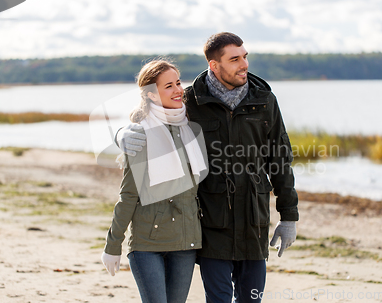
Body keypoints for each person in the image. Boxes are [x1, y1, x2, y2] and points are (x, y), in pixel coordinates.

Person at [117, 33, 299, 303]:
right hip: (211, 224)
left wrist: (288, 217)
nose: (244, 64)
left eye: (245, 56)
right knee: (219, 299)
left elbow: (280, 160)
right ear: (215, 65)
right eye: (234, 59)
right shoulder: (191, 102)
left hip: (254, 223)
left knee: (251, 299)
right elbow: (152, 120)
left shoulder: (265, 101)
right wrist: (122, 133)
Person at [101, 59, 207, 303]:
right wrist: (112, 244)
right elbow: (128, 196)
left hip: (185, 241)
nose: (178, 90)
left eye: (178, 82)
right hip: (147, 244)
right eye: (168, 86)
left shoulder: (191, 128)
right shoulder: (139, 136)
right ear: (151, 95)